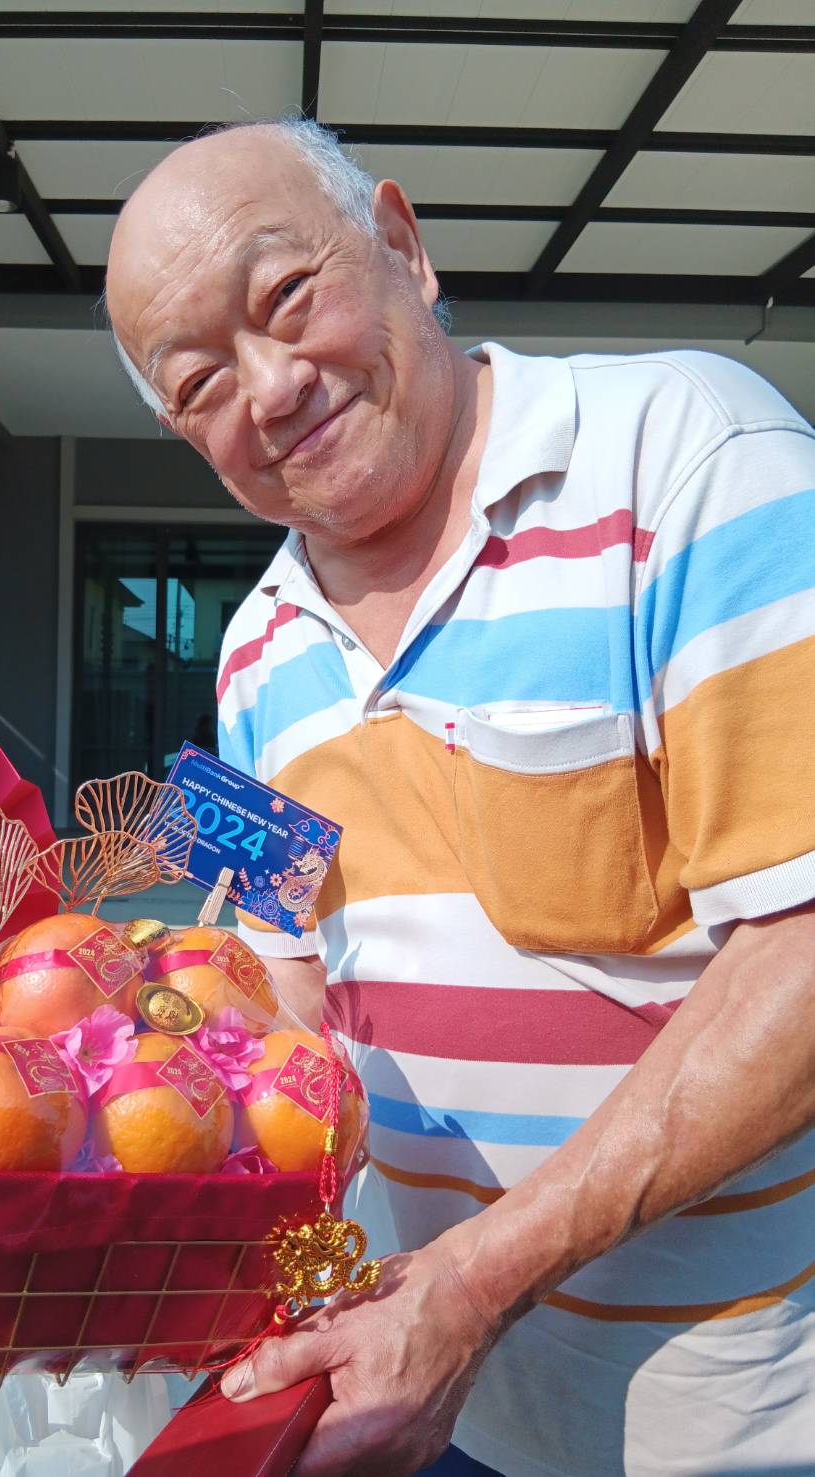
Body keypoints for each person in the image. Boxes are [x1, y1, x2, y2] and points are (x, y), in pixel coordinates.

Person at [105, 118, 815, 1477]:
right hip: (413, 1396)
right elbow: (285, 987)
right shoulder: (254, 647)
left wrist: (473, 1284)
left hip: (724, 1414)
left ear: (404, 244)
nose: (268, 385)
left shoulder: (692, 458)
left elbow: (803, 946)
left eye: (286, 299)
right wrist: (120, 1056)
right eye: (200, 381)